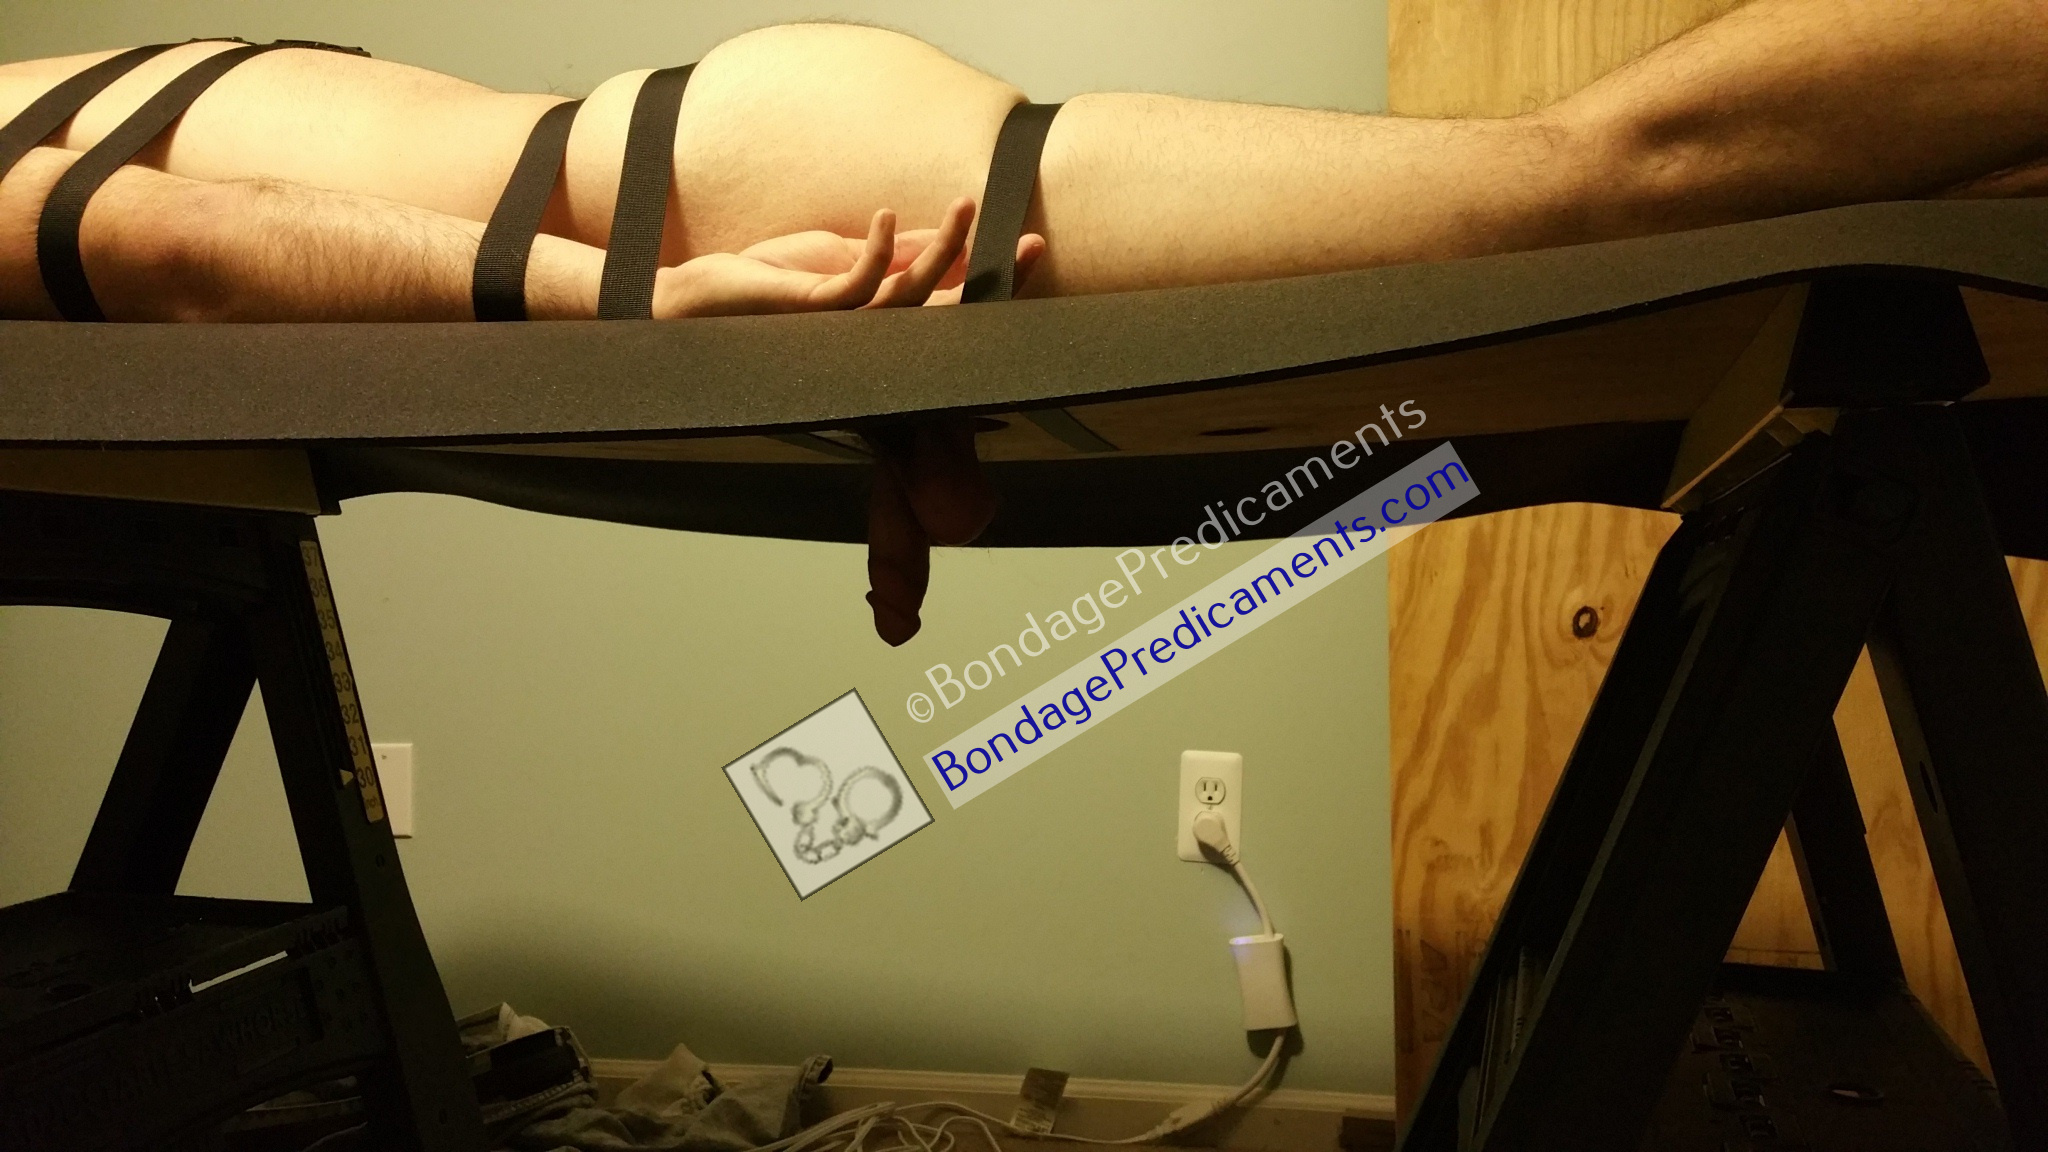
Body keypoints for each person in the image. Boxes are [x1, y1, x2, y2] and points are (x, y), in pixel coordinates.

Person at [3, 0, 2045, 642]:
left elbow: (185, 249)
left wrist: (651, 311)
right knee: (1601, 257)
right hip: (731, 162)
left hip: (733, 191)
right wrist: (876, 420)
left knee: (1591, 184)